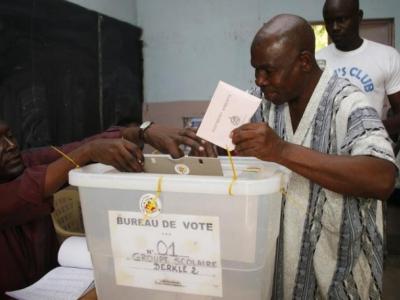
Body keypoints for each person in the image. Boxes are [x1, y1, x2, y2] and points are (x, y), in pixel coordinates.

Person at [231, 14, 396, 299]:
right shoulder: (266, 101)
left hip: (340, 276)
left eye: (268, 71)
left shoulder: (347, 102)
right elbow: (221, 135)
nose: (259, 80)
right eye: (256, 70)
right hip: (282, 272)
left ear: (305, 63)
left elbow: (382, 177)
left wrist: (281, 151)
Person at [0, 120, 212, 299]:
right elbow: (32, 188)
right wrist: (89, 152)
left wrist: (144, 132)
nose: (9, 145)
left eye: (9, 136)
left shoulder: (24, 162)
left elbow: (78, 148)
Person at [316, 0, 400, 138]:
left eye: (341, 19)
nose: (334, 27)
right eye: (329, 21)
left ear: (359, 16)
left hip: (370, 150)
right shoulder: (317, 60)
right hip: (327, 152)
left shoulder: (387, 56)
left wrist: (371, 131)